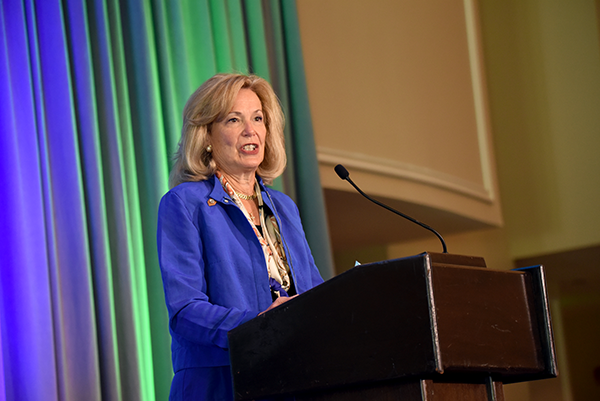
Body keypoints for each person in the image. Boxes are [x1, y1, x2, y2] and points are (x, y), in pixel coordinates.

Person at [157, 73, 324, 400]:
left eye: (258, 118)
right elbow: (185, 310)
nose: (251, 130)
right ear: (206, 135)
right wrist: (257, 324)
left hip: (292, 381)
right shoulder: (184, 204)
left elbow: (315, 293)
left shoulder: (284, 208)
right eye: (234, 120)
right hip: (221, 385)